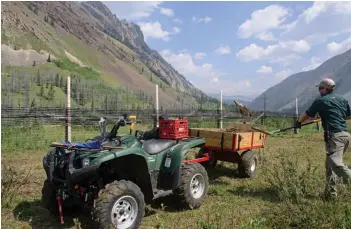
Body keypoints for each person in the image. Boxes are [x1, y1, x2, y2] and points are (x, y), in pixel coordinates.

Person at [296, 78, 351, 198]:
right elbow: (348, 116)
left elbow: (307, 114)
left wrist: (298, 122)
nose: (319, 91)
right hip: (345, 135)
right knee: (330, 166)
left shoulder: (321, 101)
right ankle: (331, 195)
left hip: (335, 136)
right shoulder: (342, 99)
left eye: (320, 88)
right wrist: (330, 116)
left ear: (325, 89)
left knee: (336, 164)